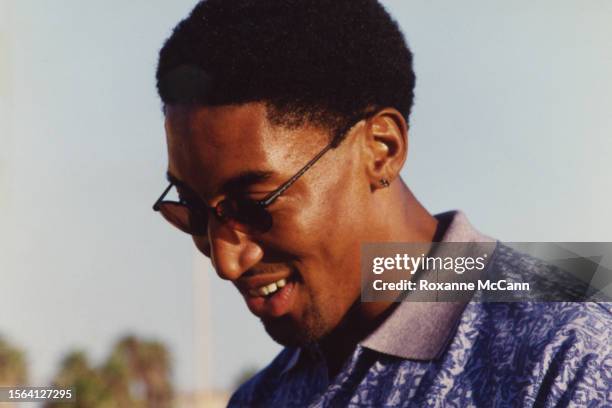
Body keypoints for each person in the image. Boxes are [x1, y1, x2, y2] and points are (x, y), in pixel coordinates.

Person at [152, 0, 611, 406]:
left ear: (382, 148)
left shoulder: (573, 349)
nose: (226, 261)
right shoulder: (263, 397)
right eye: (192, 209)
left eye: (252, 204)